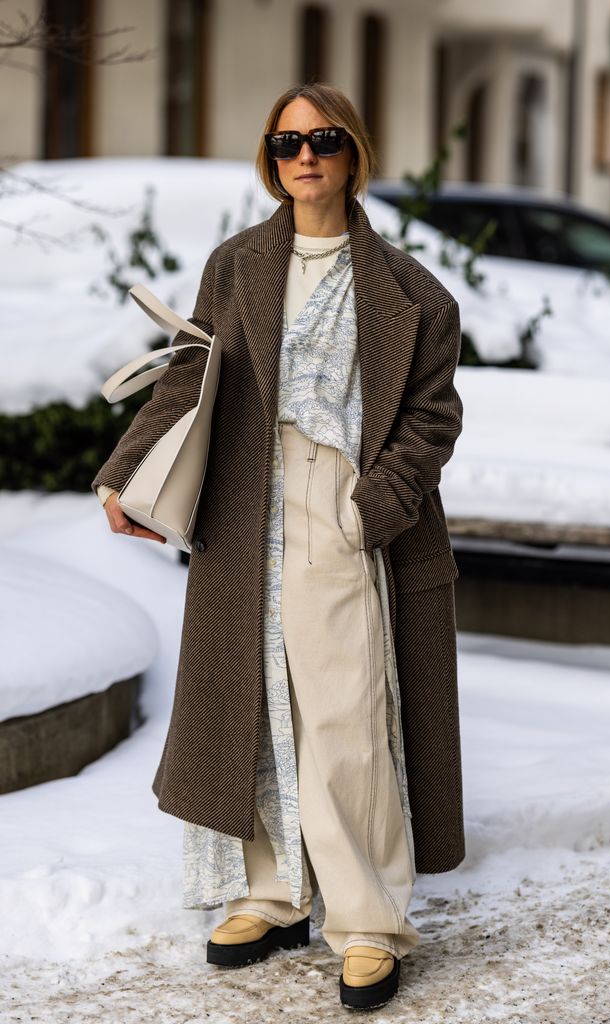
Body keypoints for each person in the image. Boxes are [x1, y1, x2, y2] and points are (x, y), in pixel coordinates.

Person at [92, 82, 465, 1012]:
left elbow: (432, 416)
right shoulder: (237, 264)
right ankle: (271, 892)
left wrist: (368, 505)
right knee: (251, 702)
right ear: (271, 159)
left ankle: (367, 918)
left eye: (324, 139)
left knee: (343, 713)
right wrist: (125, 472)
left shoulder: (411, 293)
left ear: (353, 154)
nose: (305, 156)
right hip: (243, 504)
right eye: (286, 142)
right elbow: (192, 373)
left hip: (337, 505)